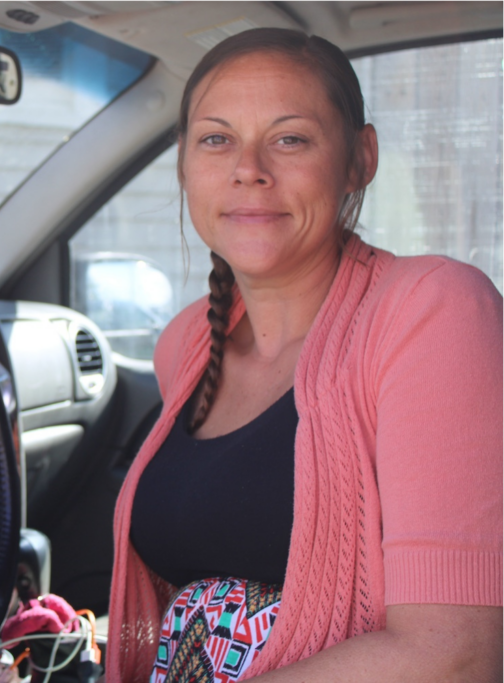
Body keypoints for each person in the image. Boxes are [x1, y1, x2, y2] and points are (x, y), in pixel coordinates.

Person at [106, 28, 503, 683]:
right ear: (183, 163)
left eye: (290, 138)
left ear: (359, 159)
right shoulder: (185, 343)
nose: (249, 168)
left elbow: (453, 656)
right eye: (216, 138)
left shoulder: (434, 311)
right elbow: (159, 611)